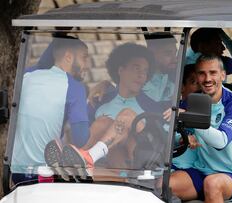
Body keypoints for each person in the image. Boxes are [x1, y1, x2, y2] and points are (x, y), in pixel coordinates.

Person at [45, 43, 170, 176]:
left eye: (145, 71)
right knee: (103, 122)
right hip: (106, 167)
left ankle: (85, 159)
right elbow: (79, 134)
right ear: (120, 70)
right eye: (136, 68)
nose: (141, 75)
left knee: (127, 116)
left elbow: (163, 142)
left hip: (135, 168)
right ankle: (75, 164)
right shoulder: (100, 99)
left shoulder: (153, 106)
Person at [170, 54, 232, 202]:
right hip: (200, 170)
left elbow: (221, 141)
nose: (207, 79)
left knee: (212, 184)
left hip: (230, 174)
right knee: (163, 184)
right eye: (202, 73)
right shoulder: (193, 100)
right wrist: (184, 137)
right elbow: (174, 134)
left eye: (213, 72)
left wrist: (190, 118)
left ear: (223, 75)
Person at [11, 36, 90, 183]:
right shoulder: (75, 87)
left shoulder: (27, 75)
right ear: (68, 56)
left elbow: (45, 60)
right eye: (84, 58)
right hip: (45, 174)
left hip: (15, 170)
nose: (87, 65)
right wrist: (90, 106)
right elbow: (81, 138)